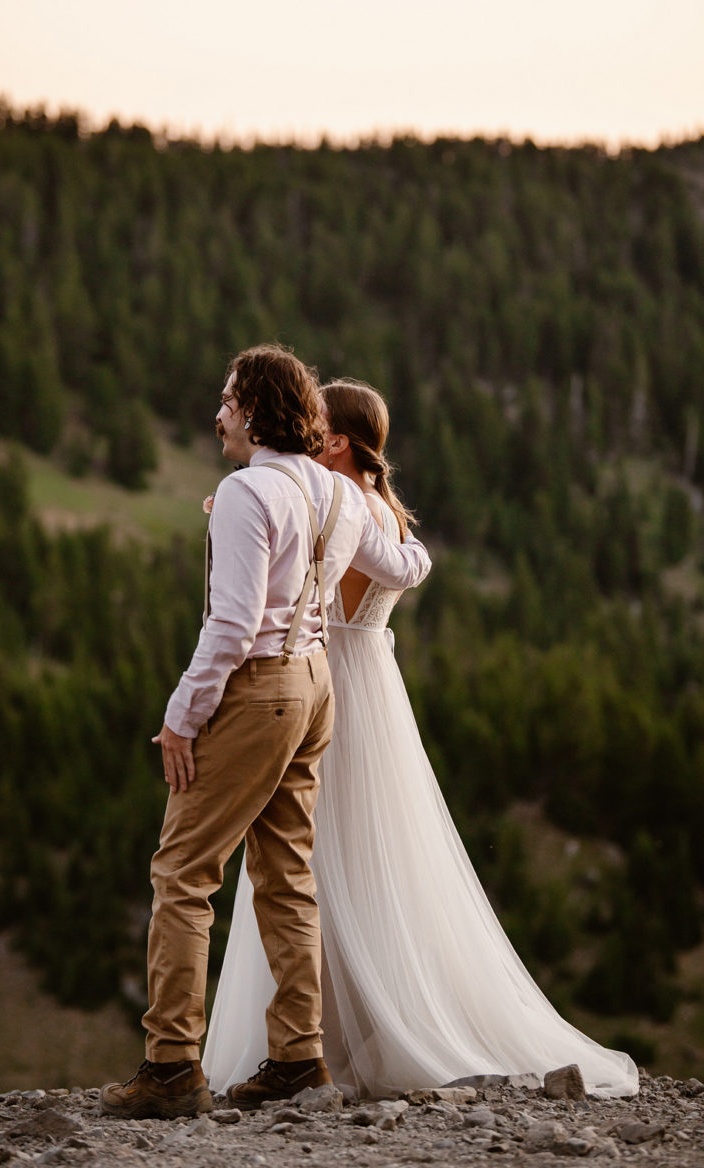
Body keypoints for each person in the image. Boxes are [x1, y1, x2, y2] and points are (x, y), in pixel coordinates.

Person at [203, 378, 639, 1102]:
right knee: (354, 858)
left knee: (310, 854)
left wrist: (247, 524)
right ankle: (334, 1034)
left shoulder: (337, 510)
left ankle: (321, 1042)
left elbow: (299, 584)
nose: (303, 437)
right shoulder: (384, 511)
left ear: (336, 441)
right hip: (372, 680)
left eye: (314, 427)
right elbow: (405, 566)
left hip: (328, 675)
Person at [99, 348, 432, 1120]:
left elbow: (232, 625)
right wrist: (385, 502)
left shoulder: (248, 492)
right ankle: (294, 1057)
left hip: (257, 691)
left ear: (252, 410)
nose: (216, 414)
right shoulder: (338, 493)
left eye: (224, 400)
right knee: (285, 874)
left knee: (182, 871)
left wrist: (180, 717)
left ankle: (172, 1066)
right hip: (317, 686)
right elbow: (400, 565)